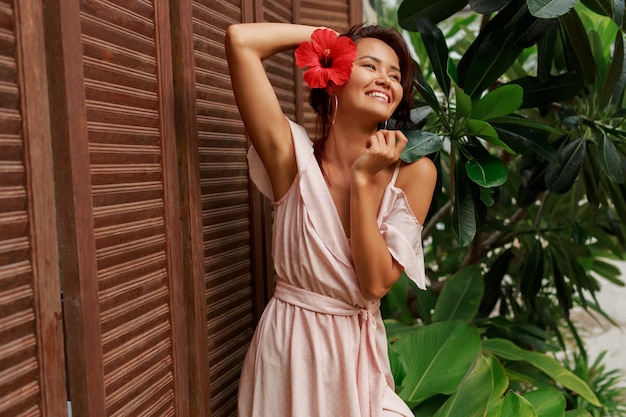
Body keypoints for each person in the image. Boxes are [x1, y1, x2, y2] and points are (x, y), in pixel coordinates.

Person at [225, 21, 437, 417]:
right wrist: (331, 41)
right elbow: (241, 41)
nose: (385, 80)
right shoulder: (291, 160)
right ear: (334, 78)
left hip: (357, 355)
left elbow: (374, 284)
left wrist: (361, 178)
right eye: (369, 66)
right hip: (289, 352)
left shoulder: (415, 173)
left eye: (394, 75)